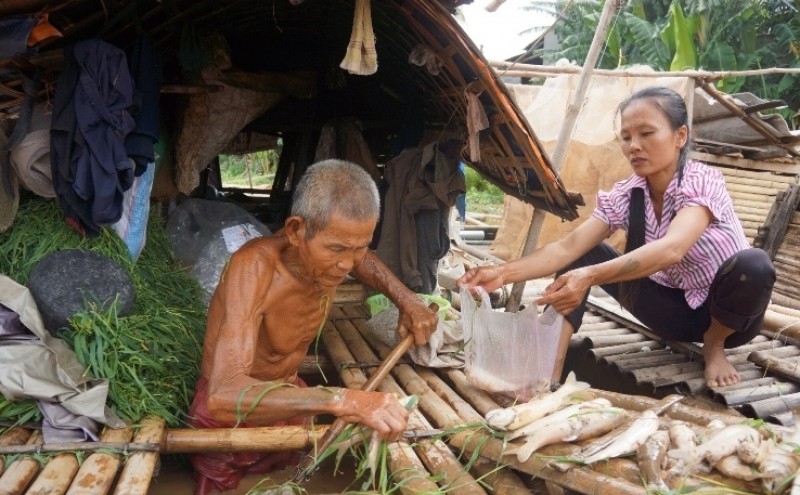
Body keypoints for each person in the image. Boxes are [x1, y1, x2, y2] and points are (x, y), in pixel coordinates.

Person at [459, 86, 775, 390]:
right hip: (672, 313)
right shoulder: (627, 195)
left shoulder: (702, 180)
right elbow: (567, 247)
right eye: (626, 137)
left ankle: (714, 347)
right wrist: (501, 273)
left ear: (680, 136)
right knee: (582, 256)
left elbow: (673, 249)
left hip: (729, 318)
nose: (633, 145)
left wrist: (590, 277)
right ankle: (548, 375)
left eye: (646, 133)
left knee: (755, 264)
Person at [188, 159, 438, 494]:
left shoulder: (337, 254)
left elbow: (362, 260)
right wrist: (342, 400)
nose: (346, 265)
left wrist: (407, 299)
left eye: (359, 246)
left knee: (291, 481)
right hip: (233, 415)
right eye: (336, 249)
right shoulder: (255, 268)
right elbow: (222, 396)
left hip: (290, 399)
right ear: (295, 231)